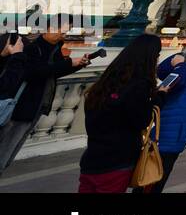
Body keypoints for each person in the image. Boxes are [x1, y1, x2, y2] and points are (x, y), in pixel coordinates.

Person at [79, 35, 168, 193]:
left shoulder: (106, 82)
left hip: (92, 158)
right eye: (157, 55)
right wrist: (159, 98)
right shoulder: (139, 85)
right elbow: (141, 120)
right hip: (117, 160)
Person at [0, 29, 91, 176]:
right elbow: (25, 75)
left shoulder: (53, 50)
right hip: (16, 109)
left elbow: (53, 71)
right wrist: (17, 55)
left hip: (30, 108)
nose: (64, 35)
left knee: (9, 151)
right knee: (5, 150)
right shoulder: (31, 48)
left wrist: (76, 64)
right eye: (61, 30)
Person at [138, 50, 186, 192]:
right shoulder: (176, 81)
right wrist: (182, 64)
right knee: (151, 179)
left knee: (157, 178)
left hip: (175, 141)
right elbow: (163, 70)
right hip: (164, 141)